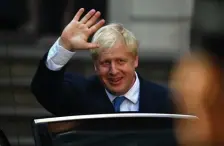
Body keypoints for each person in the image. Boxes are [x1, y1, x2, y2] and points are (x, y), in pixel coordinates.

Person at [31, 8, 175, 116]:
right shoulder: (81, 94)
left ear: (135, 60)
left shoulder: (164, 100)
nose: (113, 71)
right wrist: (64, 46)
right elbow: (44, 90)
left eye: (120, 61)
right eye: (105, 63)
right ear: (95, 65)